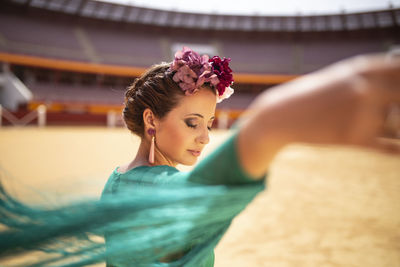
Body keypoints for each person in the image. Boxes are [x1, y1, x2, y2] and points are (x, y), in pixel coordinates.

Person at [0, 47, 399, 267]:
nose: (206, 138)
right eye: (193, 123)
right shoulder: (168, 188)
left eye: (209, 123)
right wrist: (271, 124)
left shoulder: (117, 178)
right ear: (151, 120)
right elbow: (204, 190)